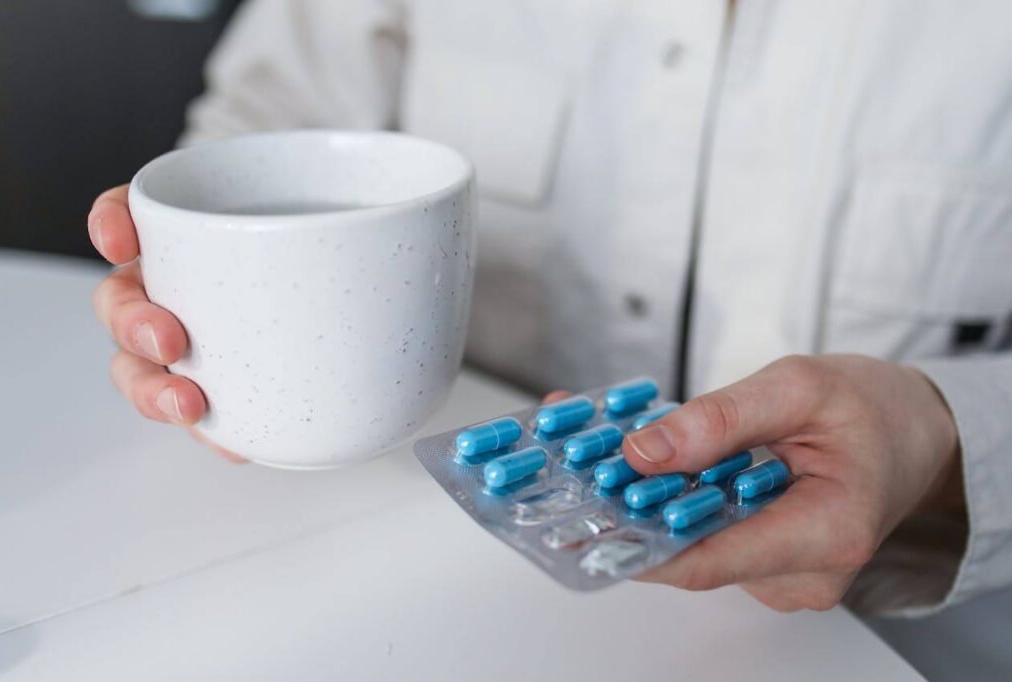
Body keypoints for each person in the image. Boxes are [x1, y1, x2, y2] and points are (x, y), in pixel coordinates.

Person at [86, 0, 1012, 616]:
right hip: (404, 577)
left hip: (894, 629)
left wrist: (943, 436)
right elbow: (257, 131)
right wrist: (185, 276)